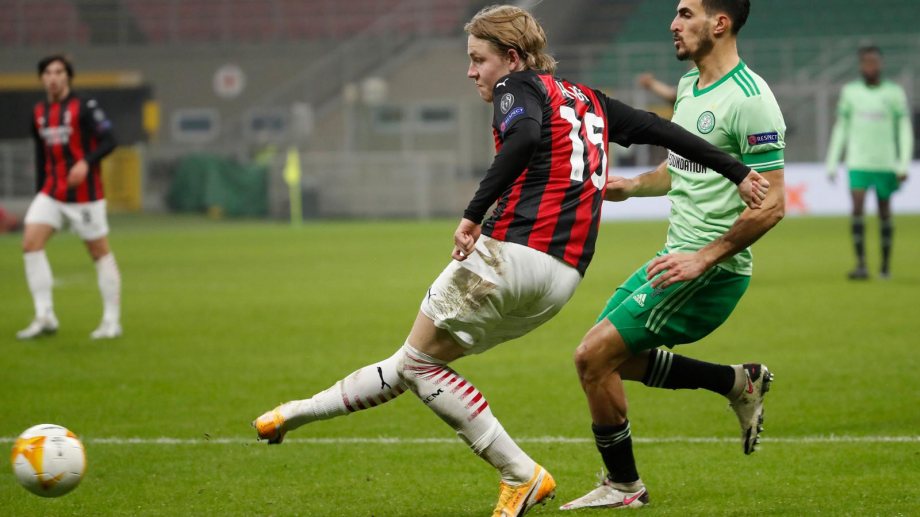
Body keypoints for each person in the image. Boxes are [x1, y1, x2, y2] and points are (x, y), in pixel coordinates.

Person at [252, 5, 767, 515]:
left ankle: (520, 474)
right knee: (416, 363)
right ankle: (292, 415)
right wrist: (737, 171)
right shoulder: (589, 99)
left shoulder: (515, 86)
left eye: (479, 59)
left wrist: (473, 213)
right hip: (560, 280)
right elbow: (664, 131)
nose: (471, 71)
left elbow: (523, 137)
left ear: (513, 57)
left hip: (510, 257)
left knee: (419, 365)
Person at [561, 0, 786, 510]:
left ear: (719, 23)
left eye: (685, 14)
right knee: (608, 360)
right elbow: (680, 169)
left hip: (711, 271)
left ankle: (624, 486)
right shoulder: (689, 86)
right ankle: (737, 381)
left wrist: (705, 258)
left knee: (592, 357)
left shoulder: (752, 101)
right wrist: (633, 185)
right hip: (675, 257)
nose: (673, 24)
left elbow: (772, 204)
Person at [17, 55, 121, 340]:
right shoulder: (39, 112)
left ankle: (111, 322)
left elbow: (110, 140)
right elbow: (41, 154)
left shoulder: (85, 107)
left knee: (99, 253)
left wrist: (86, 162)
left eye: (59, 72)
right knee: (30, 244)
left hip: (85, 196)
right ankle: (45, 316)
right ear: (42, 78)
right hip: (52, 192)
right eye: (48, 73)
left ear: (68, 77)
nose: (53, 77)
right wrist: (39, 191)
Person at [826, 46, 913, 280]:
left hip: (885, 162)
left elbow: (904, 128)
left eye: (873, 62)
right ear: (860, 65)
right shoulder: (850, 92)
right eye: (866, 62)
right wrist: (832, 161)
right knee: (857, 207)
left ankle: (885, 267)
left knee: (885, 211)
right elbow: (841, 127)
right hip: (858, 161)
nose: (870, 66)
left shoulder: (894, 93)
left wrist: (904, 163)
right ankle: (861, 265)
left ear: (880, 64)